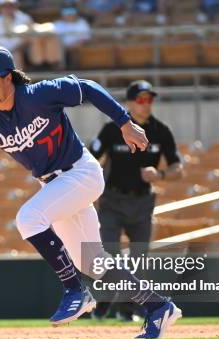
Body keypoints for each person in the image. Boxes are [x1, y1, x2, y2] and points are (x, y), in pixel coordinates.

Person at [0, 45, 182, 339]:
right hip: (55, 186)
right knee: (93, 263)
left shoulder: (39, 94)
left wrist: (125, 123)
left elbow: (88, 88)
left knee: (29, 218)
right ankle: (158, 308)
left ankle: (75, 289)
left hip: (81, 173)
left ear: (7, 76)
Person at [89, 80, 184, 321]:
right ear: (129, 103)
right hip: (112, 201)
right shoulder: (112, 130)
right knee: (107, 253)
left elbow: (178, 168)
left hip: (143, 203)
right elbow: (90, 159)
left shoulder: (161, 131)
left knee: (140, 258)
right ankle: (102, 303)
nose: (146, 104)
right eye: (140, 100)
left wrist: (160, 174)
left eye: (149, 99)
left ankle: (127, 309)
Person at [0, 0, 61, 70]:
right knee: (12, 56)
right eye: (4, 6)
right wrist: (2, 51)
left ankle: (46, 67)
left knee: (19, 53)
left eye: (10, 5)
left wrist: (17, 48)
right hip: (1, 52)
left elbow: (31, 36)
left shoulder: (25, 18)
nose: (7, 8)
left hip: (23, 50)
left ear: (16, 6)